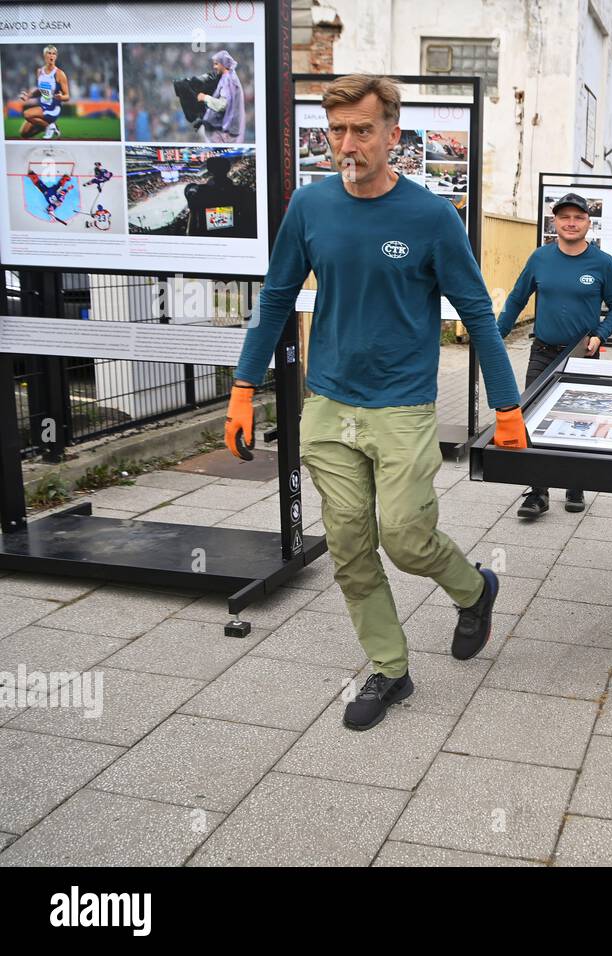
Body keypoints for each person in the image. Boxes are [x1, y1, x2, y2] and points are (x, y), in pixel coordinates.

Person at [225, 74, 528, 732]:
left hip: (403, 405)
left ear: (394, 135)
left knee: (406, 538)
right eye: (336, 130)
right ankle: (390, 668)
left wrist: (506, 406)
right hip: (329, 403)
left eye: (362, 130)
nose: (348, 143)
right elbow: (275, 298)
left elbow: (476, 312)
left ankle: (475, 590)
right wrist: (243, 387)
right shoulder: (310, 208)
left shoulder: (429, 217)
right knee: (349, 543)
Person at [498, 192, 612, 518]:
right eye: (564, 217)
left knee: (579, 421)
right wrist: (494, 336)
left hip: (582, 354)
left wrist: (600, 334)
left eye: (578, 217)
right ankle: (538, 493)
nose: (571, 223)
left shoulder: (602, 263)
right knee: (532, 420)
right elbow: (515, 299)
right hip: (542, 351)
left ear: (588, 222)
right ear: (555, 222)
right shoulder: (540, 258)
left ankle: (575, 484)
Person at [185, 154, 255, 238]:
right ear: (228, 169)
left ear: (209, 170)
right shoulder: (241, 191)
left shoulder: (200, 192)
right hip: (234, 236)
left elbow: (193, 220)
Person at [19, 46, 68, 139]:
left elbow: (67, 96)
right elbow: (40, 90)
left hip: (53, 108)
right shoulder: (40, 71)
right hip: (42, 107)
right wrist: (28, 96)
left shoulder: (60, 74)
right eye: (49, 53)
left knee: (27, 114)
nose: (51, 56)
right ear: (44, 56)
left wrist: (61, 97)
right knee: (24, 133)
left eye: (54, 53)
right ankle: (49, 126)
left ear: (56, 56)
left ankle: (48, 126)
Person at [195, 50, 245, 143]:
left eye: (216, 64)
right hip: (227, 128)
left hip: (226, 131)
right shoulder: (229, 76)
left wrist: (204, 97)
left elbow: (222, 105)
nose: (214, 67)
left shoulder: (228, 80)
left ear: (224, 64)